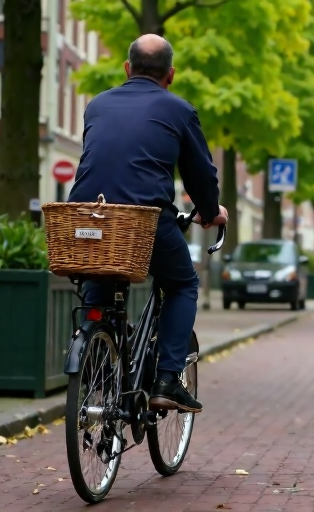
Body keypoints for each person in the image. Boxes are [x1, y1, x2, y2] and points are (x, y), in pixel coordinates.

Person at [68, 34, 228, 414]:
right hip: (143, 221)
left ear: (127, 68)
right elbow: (200, 175)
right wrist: (211, 210)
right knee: (183, 283)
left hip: (88, 219)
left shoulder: (97, 105)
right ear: (170, 75)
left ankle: (96, 361)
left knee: (100, 277)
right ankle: (168, 380)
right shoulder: (180, 110)